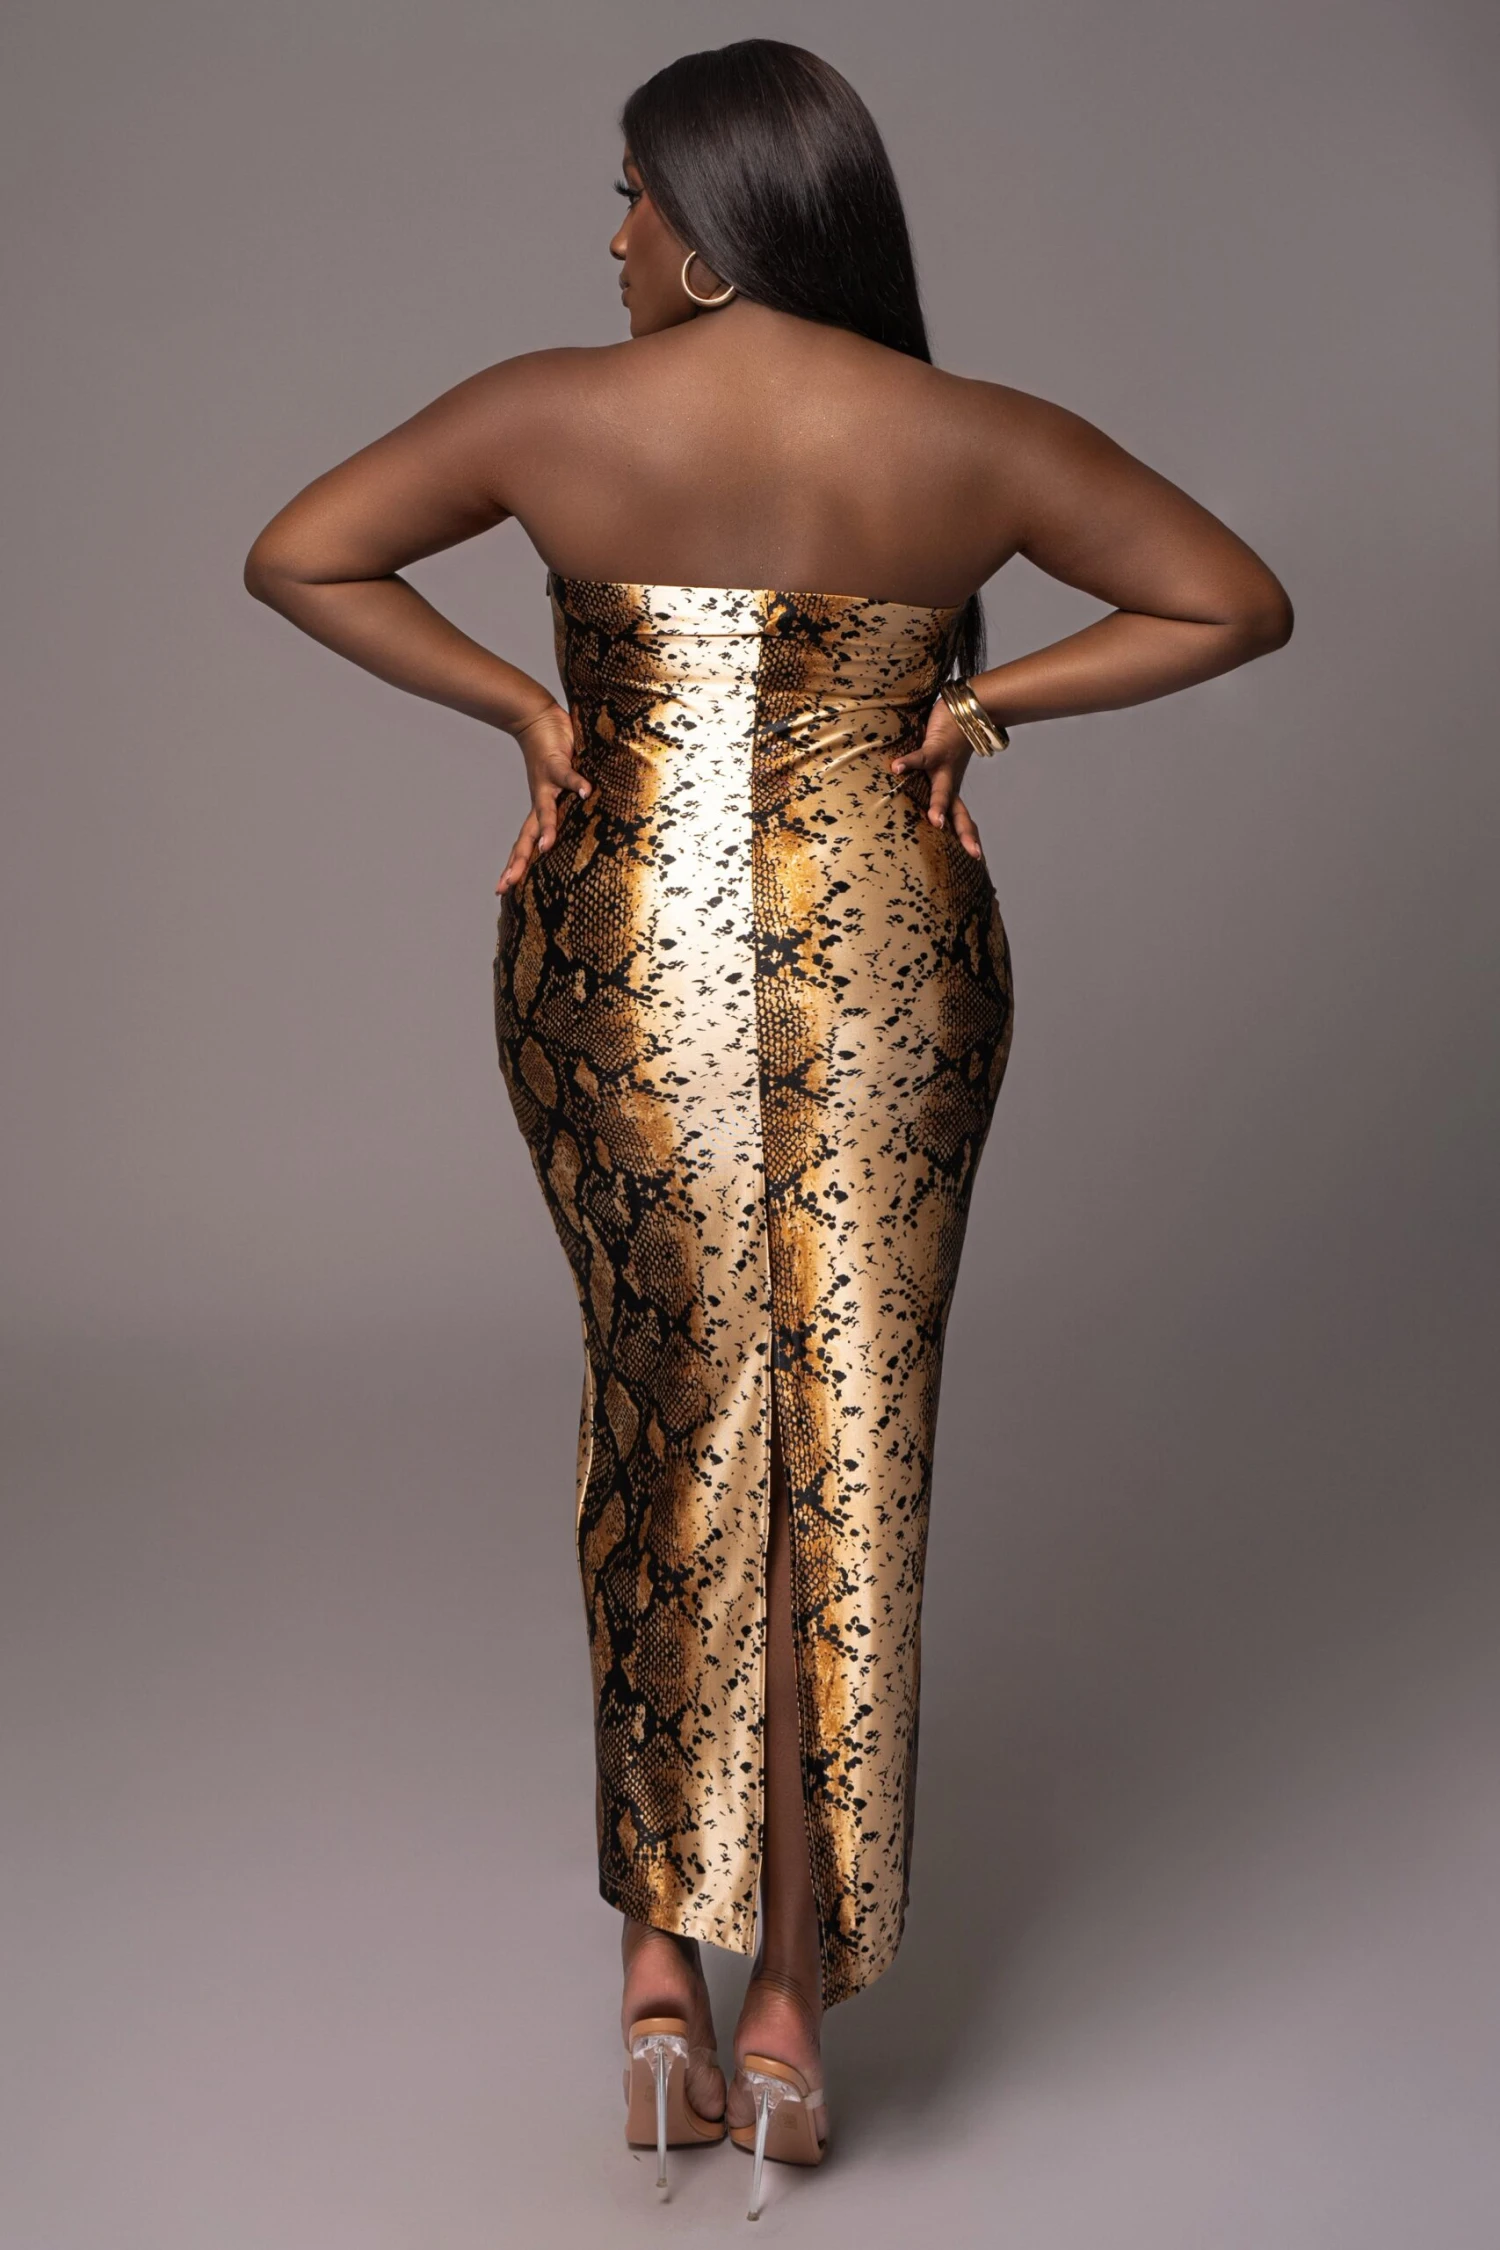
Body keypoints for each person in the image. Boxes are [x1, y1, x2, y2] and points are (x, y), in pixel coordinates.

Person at [244, 35, 1292, 2217]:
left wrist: (529, 708)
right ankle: (794, 2015)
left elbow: (302, 553)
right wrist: (977, 703)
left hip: (622, 956)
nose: (614, 236)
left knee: (669, 1422)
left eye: (632, 195)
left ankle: (660, 1986)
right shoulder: (974, 435)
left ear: (716, 232)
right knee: (846, 1436)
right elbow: (1233, 598)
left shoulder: (555, 409)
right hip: (893, 964)